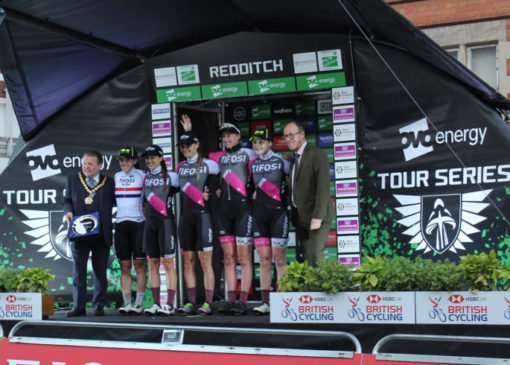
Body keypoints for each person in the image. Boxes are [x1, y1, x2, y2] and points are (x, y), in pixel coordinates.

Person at [63, 150, 115, 317]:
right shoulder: (73, 179)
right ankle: (79, 307)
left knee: (100, 271)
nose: (86, 167)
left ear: (100, 165)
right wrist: (68, 212)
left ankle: (99, 306)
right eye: (84, 163)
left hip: (101, 234)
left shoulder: (109, 182)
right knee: (79, 272)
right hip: (80, 233)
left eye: (90, 164)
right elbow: (67, 200)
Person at [176, 129, 220, 315]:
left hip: (203, 216)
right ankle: (190, 302)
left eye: (189, 145)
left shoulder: (210, 165)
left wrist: (210, 192)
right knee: (188, 261)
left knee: (205, 261)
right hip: (186, 217)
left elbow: (217, 185)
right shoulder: (179, 167)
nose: (185, 149)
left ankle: (209, 302)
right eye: (183, 146)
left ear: (197, 145)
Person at [249, 128, 290, 315]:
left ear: (270, 143)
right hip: (259, 215)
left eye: (261, 142)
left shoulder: (282, 161)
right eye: (255, 142)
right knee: (264, 260)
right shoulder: (252, 164)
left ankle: (283, 300)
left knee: (280, 260)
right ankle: (265, 302)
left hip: (278, 214)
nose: (258, 145)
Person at [283, 121, 334, 267]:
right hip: (300, 217)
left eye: (291, 135)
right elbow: (302, 176)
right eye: (286, 136)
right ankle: (312, 289)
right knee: (307, 258)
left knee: (316, 256)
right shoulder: (296, 158)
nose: (288, 139)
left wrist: (317, 217)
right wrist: (291, 160)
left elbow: (323, 188)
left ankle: (322, 289)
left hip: (316, 216)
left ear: (302, 134)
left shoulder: (317, 154)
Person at [141, 144, 179, 315]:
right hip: (150, 224)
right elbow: (144, 201)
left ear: (161, 158)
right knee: (152, 263)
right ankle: (156, 303)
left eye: (153, 157)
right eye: (147, 158)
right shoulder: (145, 178)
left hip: (166, 223)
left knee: (168, 263)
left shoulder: (172, 176)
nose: (150, 160)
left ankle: (170, 304)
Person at [114, 146, 147, 314]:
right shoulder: (116, 176)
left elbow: (151, 196)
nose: (123, 163)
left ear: (134, 161)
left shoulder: (143, 175)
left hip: (139, 224)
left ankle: (139, 304)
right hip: (121, 224)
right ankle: (127, 304)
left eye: (127, 160)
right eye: (121, 160)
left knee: (140, 265)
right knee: (124, 266)